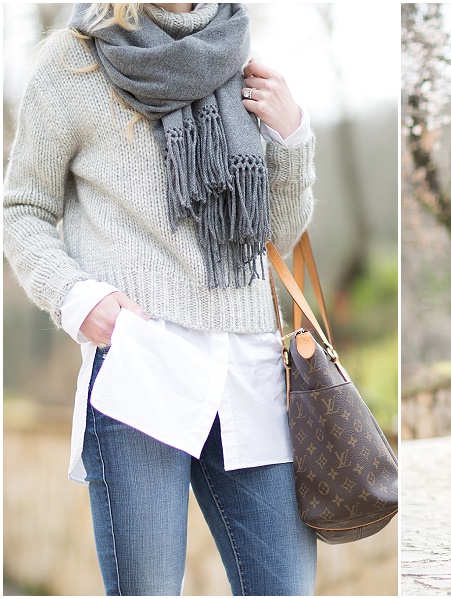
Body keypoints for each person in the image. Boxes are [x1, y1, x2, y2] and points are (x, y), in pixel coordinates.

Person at [4, 3, 319, 595]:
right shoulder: (75, 61)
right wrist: (75, 297)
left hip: (250, 369)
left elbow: (278, 233)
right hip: (140, 366)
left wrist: (290, 135)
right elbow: (22, 208)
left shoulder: (239, 56)